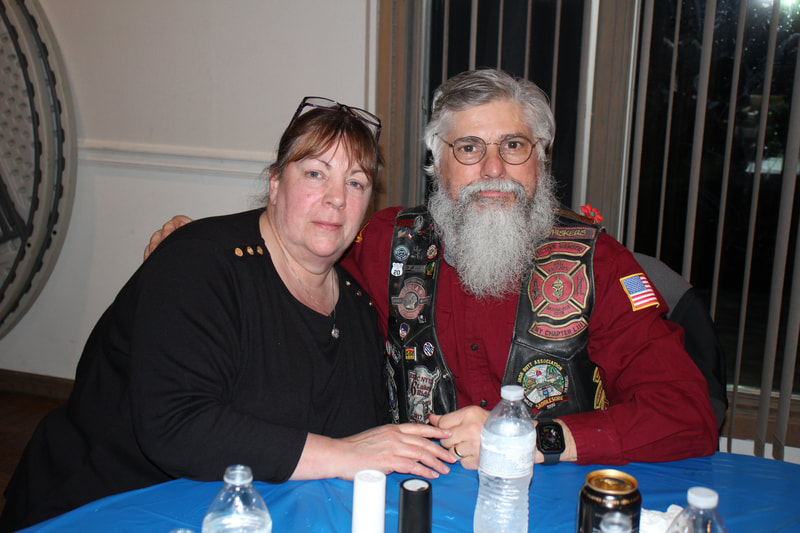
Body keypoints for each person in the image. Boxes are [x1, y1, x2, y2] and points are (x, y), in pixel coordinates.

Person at [143, 70, 719, 471]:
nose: (492, 169)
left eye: (513, 146)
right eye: (468, 148)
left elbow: (689, 414)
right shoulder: (382, 242)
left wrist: (534, 439)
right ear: (436, 165)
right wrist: (204, 241)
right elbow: (301, 234)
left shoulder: (596, 263)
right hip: (408, 500)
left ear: (541, 160)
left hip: (545, 502)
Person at [0, 97, 456, 532]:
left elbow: (361, 438)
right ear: (275, 183)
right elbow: (177, 425)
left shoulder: (355, 305)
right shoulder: (198, 263)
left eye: (355, 183)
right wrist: (340, 454)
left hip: (246, 513)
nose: (337, 197)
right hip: (101, 507)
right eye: (316, 173)